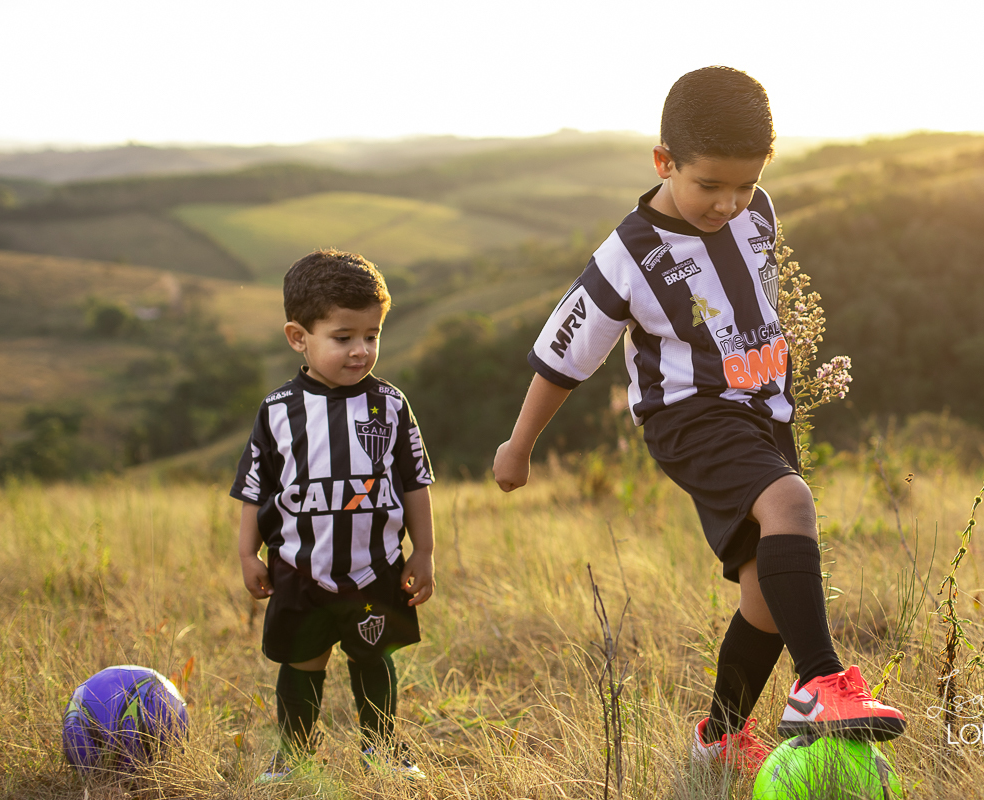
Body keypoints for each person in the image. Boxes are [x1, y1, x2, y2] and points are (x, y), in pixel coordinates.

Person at [492, 67, 906, 773]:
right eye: (709, 185)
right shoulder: (627, 256)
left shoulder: (758, 211)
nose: (728, 203)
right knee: (790, 502)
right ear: (664, 162)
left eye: (745, 184)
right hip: (690, 418)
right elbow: (565, 355)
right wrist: (519, 444)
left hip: (765, 417)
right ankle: (821, 682)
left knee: (765, 598)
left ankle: (717, 740)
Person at [230, 249, 436, 780]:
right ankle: (294, 758)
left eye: (372, 335)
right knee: (302, 661)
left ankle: (382, 750)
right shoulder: (278, 411)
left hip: (375, 568)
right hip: (301, 570)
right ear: (298, 337)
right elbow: (255, 487)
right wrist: (247, 553)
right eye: (343, 337)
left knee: (375, 657)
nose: (360, 350)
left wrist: (425, 551)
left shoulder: (391, 405)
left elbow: (414, 482)